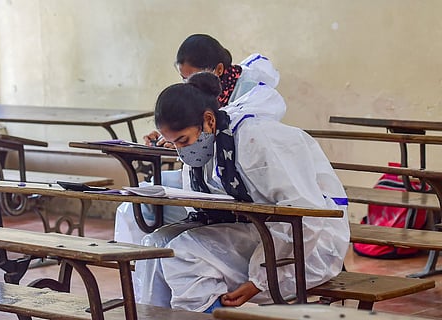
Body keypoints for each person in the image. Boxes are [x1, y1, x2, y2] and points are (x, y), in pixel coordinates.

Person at [134, 72, 350, 313]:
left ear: (209, 120)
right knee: (155, 245)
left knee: (185, 253)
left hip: (311, 245)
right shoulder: (209, 144)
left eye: (183, 140)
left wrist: (259, 280)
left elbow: (306, 216)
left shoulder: (256, 140)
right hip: (258, 230)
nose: (181, 150)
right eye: (173, 143)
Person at [114, 34, 287, 244]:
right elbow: (195, 128)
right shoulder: (201, 102)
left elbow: (230, 135)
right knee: (138, 201)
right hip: (205, 174)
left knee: (181, 246)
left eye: (193, 77)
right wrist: (170, 135)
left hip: (239, 177)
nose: (189, 85)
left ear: (219, 70)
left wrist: (186, 136)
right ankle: (134, 261)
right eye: (183, 79)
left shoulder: (253, 94)